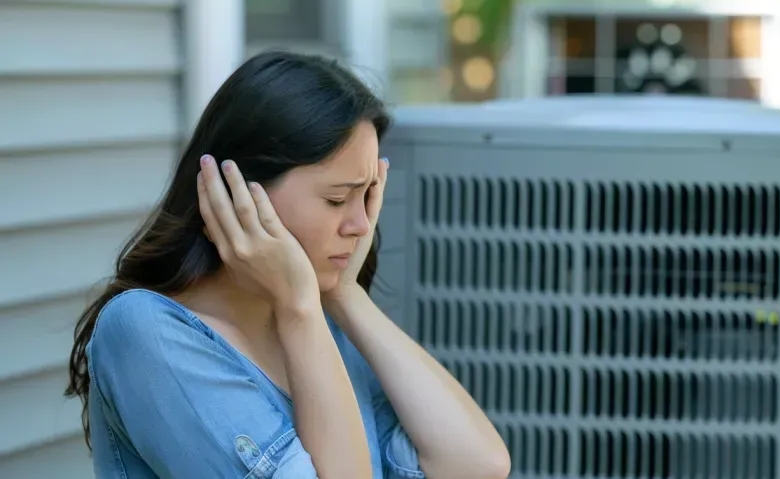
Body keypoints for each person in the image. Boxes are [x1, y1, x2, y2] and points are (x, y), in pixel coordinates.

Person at [65, 51, 512, 478]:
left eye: (368, 196)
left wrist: (344, 297)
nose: (360, 225)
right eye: (337, 198)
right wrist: (300, 307)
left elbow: (476, 466)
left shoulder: (323, 326)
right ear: (238, 192)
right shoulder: (147, 332)